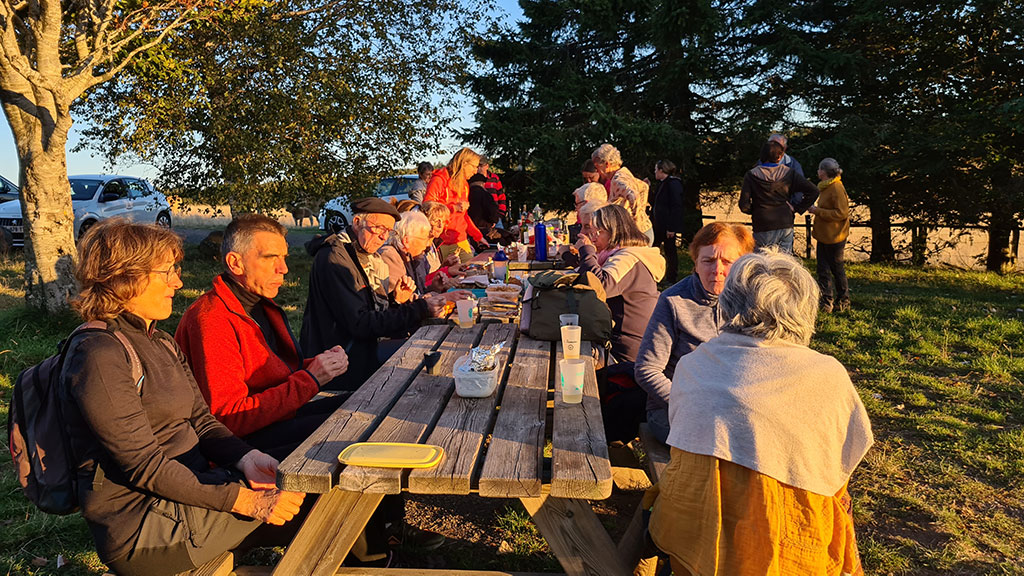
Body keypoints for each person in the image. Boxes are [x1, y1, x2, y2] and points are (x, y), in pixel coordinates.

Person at [62, 219, 305, 576]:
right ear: (124, 276)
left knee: (312, 481)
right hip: (143, 530)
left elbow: (203, 421)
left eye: (176, 269)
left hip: (188, 497)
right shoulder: (99, 354)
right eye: (167, 272)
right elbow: (145, 466)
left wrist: (246, 458)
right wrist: (245, 499)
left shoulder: (159, 340)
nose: (178, 281)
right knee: (320, 499)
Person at [647, 249, 873, 576]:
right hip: (782, 532)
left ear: (728, 303)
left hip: (692, 526)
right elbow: (844, 456)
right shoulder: (827, 375)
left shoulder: (692, 365)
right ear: (803, 308)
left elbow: (680, 430)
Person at [175, 215, 350, 457]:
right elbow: (229, 419)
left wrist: (319, 365)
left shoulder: (258, 303)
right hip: (238, 448)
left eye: (284, 258)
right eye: (270, 258)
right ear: (235, 263)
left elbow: (270, 374)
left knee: (358, 407)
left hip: (274, 419)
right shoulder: (212, 319)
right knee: (348, 436)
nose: (284, 269)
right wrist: (311, 378)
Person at [300, 197, 455, 392]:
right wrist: (421, 308)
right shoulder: (335, 259)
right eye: (379, 228)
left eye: (388, 231)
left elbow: (369, 312)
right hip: (340, 365)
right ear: (357, 223)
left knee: (434, 355)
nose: (383, 237)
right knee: (420, 364)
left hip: (359, 351)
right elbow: (361, 323)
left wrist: (396, 300)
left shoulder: (365, 255)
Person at [633, 222, 755, 443]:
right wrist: (692, 403)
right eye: (708, 260)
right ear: (695, 263)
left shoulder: (752, 301)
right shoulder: (673, 301)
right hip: (676, 410)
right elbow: (646, 369)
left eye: (727, 261)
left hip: (735, 408)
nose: (717, 270)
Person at [575, 203, 665, 364]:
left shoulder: (629, 258)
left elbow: (600, 286)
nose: (593, 237)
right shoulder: (623, 254)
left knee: (565, 353)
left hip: (625, 352)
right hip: (623, 341)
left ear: (614, 232)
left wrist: (587, 251)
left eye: (598, 232)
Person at [739, 139, 819, 253]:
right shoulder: (789, 173)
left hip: (762, 224)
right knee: (784, 263)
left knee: (763, 262)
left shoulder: (751, 175)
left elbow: (744, 205)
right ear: (780, 157)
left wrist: (757, 210)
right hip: (785, 222)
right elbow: (813, 191)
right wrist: (797, 208)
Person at [424, 147, 489, 262]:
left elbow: (463, 216)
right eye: (474, 166)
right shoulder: (439, 179)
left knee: (470, 270)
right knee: (444, 276)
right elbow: (427, 208)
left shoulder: (464, 184)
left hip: (460, 239)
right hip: (441, 241)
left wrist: (478, 236)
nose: (475, 171)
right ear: (464, 163)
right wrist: (454, 207)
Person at [809, 157, 851, 312]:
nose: (817, 171)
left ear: (824, 172)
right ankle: (826, 302)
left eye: (819, 169)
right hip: (824, 235)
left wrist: (817, 211)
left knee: (836, 269)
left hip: (835, 237)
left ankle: (843, 300)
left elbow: (842, 213)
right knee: (822, 269)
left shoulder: (837, 188)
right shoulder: (826, 186)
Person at [591, 143, 654, 245]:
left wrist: (635, 224)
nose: (597, 172)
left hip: (637, 236)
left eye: (597, 167)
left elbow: (633, 195)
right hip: (646, 230)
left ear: (606, 164)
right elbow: (644, 186)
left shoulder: (617, 180)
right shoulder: (625, 174)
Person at [379, 210, 435, 295]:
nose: (427, 244)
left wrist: (437, 287)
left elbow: (420, 291)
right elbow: (404, 298)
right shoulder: (390, 257)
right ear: (406, 241)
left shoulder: (412, 256)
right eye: (424, 239)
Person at [651, 160, 685, 284]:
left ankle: (671, 277)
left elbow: (676, 206)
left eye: (656, 169)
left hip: (667, 225)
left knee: (670, 251)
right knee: (653, 248)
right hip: (659, 224)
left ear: (661, 170)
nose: (654, 172)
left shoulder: (673, 184)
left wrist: (672, 227)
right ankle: (655, 274)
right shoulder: (662, 184)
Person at [477, 157, 507, 224]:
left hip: (495, 215)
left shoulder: (494, 178)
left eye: (481, 166)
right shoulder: (473, 179)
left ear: (487, 166)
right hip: (481, 217)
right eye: (477, 166)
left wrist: (501, 214)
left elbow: (501, 196)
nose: (479, 168)